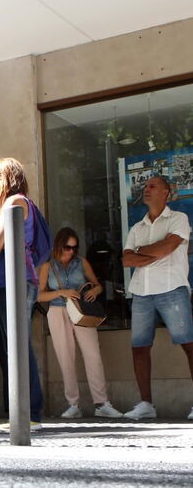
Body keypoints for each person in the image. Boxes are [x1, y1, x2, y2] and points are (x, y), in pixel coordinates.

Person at [121, 176, 193, 421]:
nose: (146, 190)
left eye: (152, 186)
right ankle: (146, 404)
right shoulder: (137, 227)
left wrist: (143, 252)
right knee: (139, 348)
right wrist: (155, 252)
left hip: (173, 289)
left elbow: (168, 247)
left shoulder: (178, 219)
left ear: (166, 192)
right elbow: (126, 260)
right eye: (145, 187)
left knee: (189, 345)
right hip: (141, 292)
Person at [38, 227, 123, 419]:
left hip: (82, 312)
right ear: (59, 245)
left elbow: (98, 285)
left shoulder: (81, 262)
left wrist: (95, 291)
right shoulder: (47, 266)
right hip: (58, 311)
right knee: (65, 358)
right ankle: (73, 404)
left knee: (93, 355)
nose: (71, 251)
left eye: (74, 248)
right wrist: (61, 292)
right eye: (67, 247)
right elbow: (38, 295)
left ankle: (101, 403)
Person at [0, 157, 46, 431]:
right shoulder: (28, 203)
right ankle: (28, 411)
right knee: (20, 344)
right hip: (22, 280)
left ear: (4, 179)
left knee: (17, 346)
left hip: (14, 281)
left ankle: (28, 413)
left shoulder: (14, 203)